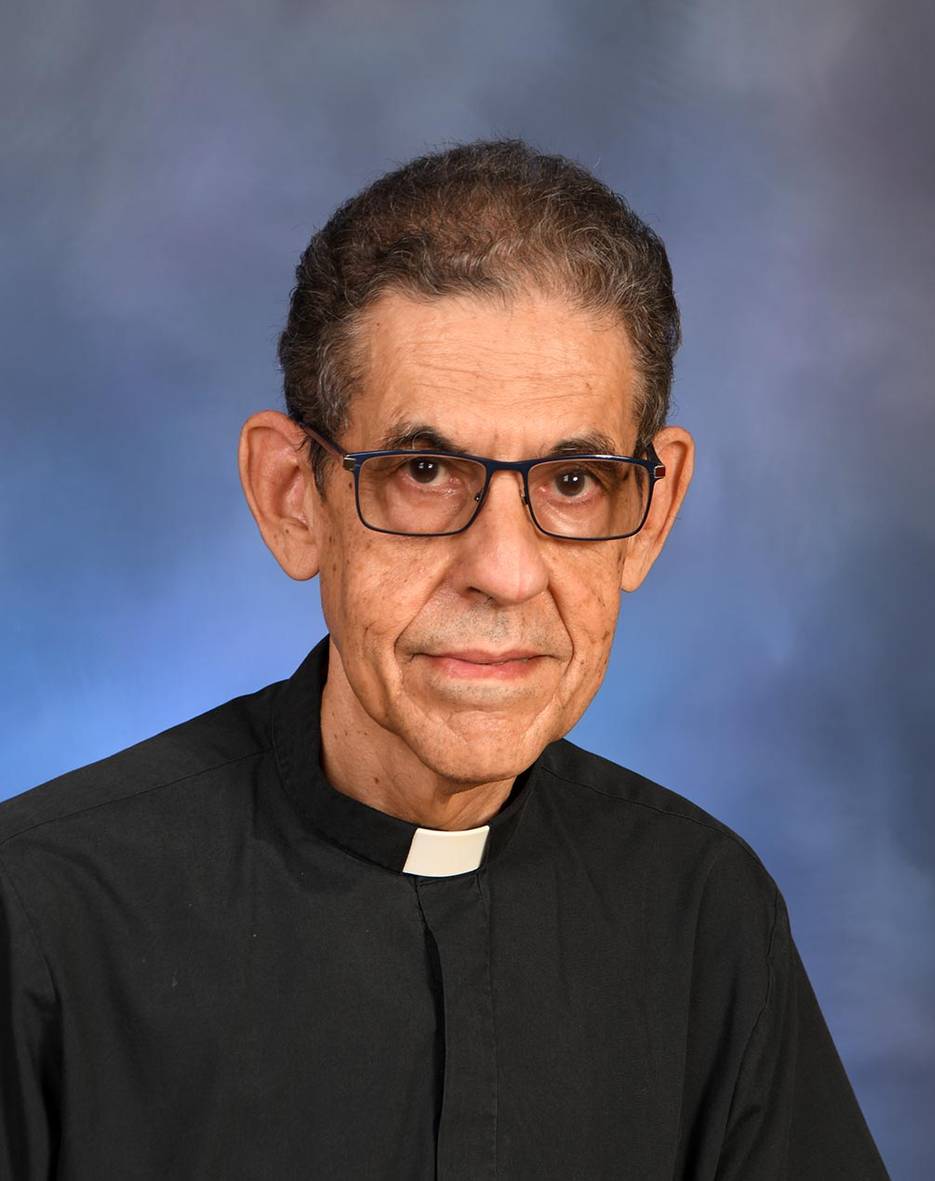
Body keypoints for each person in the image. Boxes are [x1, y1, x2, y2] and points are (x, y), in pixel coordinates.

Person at [0, 138, 889, 1179]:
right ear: (295, 497)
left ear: (651, 517)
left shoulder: (705, 912)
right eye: (425, 470)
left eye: (573, 481)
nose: (505, 572)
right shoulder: (40, 913)